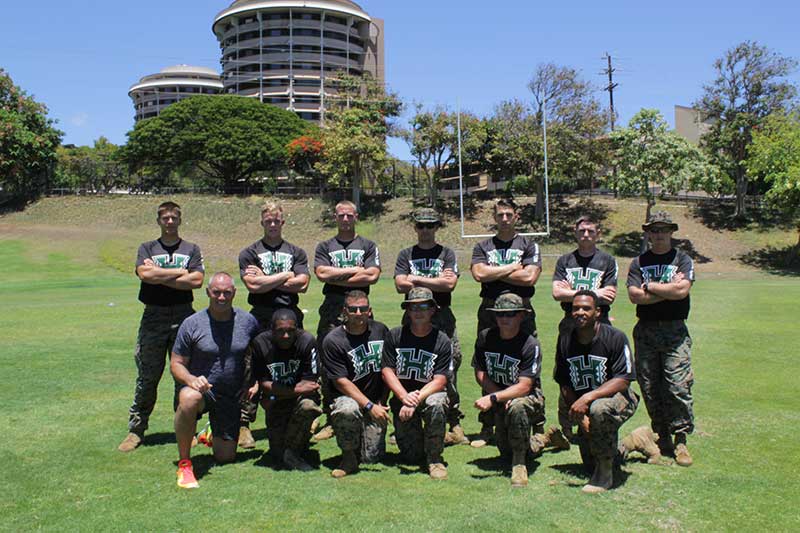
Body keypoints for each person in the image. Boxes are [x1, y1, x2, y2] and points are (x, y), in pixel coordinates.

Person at [118, 201, 205, 453]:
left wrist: (161, 273)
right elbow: (145, 275)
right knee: (148, 377)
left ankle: (186, 428)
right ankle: (136, 430)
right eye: (165, 218)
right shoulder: (147, 247)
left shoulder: (191, 248)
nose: (169, 222)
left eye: (173, 218)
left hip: (184, 317)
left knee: (184, 376)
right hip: (153, 317)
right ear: (158, 221)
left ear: (180, 220)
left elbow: (197, 280)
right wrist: (179, 274)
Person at [170, 272, 261, 489]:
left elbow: (260, 353)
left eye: (227, 293)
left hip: (231, 395)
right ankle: (185, 463)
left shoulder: (248, 321)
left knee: (225, 458)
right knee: (189, 399)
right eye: (217, 292)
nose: (221, 297)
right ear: (208, 292)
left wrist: (256, 381)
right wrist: (191, 380)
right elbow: (176, 363)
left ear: (234, 293)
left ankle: (210, 432)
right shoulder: (192, 323)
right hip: (202, 391)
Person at [238, 201, 310, 449]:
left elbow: (302, 284)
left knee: (295, 363)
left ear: (282, 222)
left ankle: (301, 413)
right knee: (251, 366)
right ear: (262, 222)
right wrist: (284, 276)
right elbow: (252, 286)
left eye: (276, 220)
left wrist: (266, 279)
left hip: (290, 315)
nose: (272, 225)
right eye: (267, 221)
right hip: (260, 314)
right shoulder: (250, 252)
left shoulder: (296, 252)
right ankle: (244, 423)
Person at [470, 198, 541, 447]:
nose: (504, 219)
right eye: (500, 214)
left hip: (521, 309)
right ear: (494, 216)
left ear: (516, 216)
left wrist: (495, 272)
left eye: (508, 214)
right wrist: (512, 267)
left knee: (528, 360)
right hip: (490, 309)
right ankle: (488, 424)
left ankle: (537, 424)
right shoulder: (483, 245)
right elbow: (479, 273)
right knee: (489, 362)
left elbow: (530, 277)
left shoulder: (529, 244)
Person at [627, 211, 696, 467]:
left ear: (671, 232)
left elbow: (682, 291)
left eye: (663, 230)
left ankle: (680, 440)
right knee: (650, 386)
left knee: (677, 385)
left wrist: (651, 287)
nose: (658, 234)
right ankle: (662, 435)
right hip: (645, 330)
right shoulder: (638, 263)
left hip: (674, 331)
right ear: (648, 233)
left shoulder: (682, 259)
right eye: (654, 230)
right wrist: (665, 290)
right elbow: (634, 296)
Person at [394, 208, 467, 446]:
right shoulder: (406, 254)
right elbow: (399, 285)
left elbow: (449, 286)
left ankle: (453, 421)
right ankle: (407, 418)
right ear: (415, 227)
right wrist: (435, 281)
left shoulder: (447, 253)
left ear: (437, 227)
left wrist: (415, 279)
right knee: (409, 366)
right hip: (412, 316)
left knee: (449, 367)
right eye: (421, 225)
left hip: (443, 317)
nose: (425, 230)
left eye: (431, 225)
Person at [554, 290, 638, 493]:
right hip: (585, 405)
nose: (580, 312)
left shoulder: (615, 337)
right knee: (589, 461)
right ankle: (635, 441)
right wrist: (580, 418)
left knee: (599, 409)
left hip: (617, 399)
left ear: (597, 312)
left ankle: (605, 474)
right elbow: (564, 382)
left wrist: (588, 397)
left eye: (586, 308)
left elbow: (624, 379)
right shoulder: (565, 340)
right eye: (575, 308)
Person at [548, 215, 618, 448]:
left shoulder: (607, 260)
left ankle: (599, 419)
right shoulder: (565, 260)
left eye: (590, 230)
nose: (586, 234)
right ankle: (567, 427)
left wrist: (573, 292)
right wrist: (593, 293)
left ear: (598, 233)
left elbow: (610, 295)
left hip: (600, 322)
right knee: (567, 373)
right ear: (575, 232)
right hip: (569, 322)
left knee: (601, 371)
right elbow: (557, 293)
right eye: (582, 230)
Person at [313, 200, 381, 441]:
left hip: (361, 306)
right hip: (332, 308)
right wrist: (356, 271)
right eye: (341, 215)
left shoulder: (368, 245)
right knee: (329, 361)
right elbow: (321, 273)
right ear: (335, 217)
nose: (345, 219)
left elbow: (372, 275)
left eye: (349, 215)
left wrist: (337, 275)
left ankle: (367, 407)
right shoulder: (325, 246)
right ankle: (332, 417)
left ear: (356, 217)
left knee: (363, 358)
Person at [472, 293, 545, 488]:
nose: (505, 319)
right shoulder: (486, 337)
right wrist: (499, 396)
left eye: (511, 314)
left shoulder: (530, 344)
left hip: (526, 397)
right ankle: (544, 439)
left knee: (518, 407)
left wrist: (495, 397)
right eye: (501, 315)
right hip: (500, 396)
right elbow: (480, 371)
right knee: (505, 451)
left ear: (521, 316)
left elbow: (525, 386)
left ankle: (519, 464)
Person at [382, 287, 452, 480]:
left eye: (424, 306)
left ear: (432, 310)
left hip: (428, 395)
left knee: (437, 403)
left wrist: (414, 399)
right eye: (413, 307)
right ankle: (427, 439)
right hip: (403, 398)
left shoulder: (442, 340)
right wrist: (404, 397)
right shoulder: (395, 336)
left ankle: (435, 459)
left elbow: (440, 380)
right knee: (411, 457)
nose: (418, 311)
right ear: (407, 311)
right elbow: (387, 370)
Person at [321, 290, 391, 478]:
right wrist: (368, 406)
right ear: (345, 311)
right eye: (353, 309)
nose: (359, 313)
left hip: (375, 401)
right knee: (348, 409)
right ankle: (348, 457)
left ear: (369, 310)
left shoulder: (381, 331)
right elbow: (340, 381)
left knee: (371, 457)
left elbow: (387, 368)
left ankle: (362, 439)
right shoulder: (333, 340)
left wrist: (382, 402)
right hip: (347, 398)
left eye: (363, 309)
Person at [247, 309, 321, 471]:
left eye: (290, 331)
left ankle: (294, 452)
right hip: (276, 402)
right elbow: (263, 382)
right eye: (280, 331)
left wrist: (276, 391)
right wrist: (293, 390)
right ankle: (291, 448)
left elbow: (311, 384)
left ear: (297, 328)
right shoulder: (260, 344)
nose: (286, 336)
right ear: (271, 329)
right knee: (277, 454)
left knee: (308, 406)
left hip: (297, 400)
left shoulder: (307, 342)